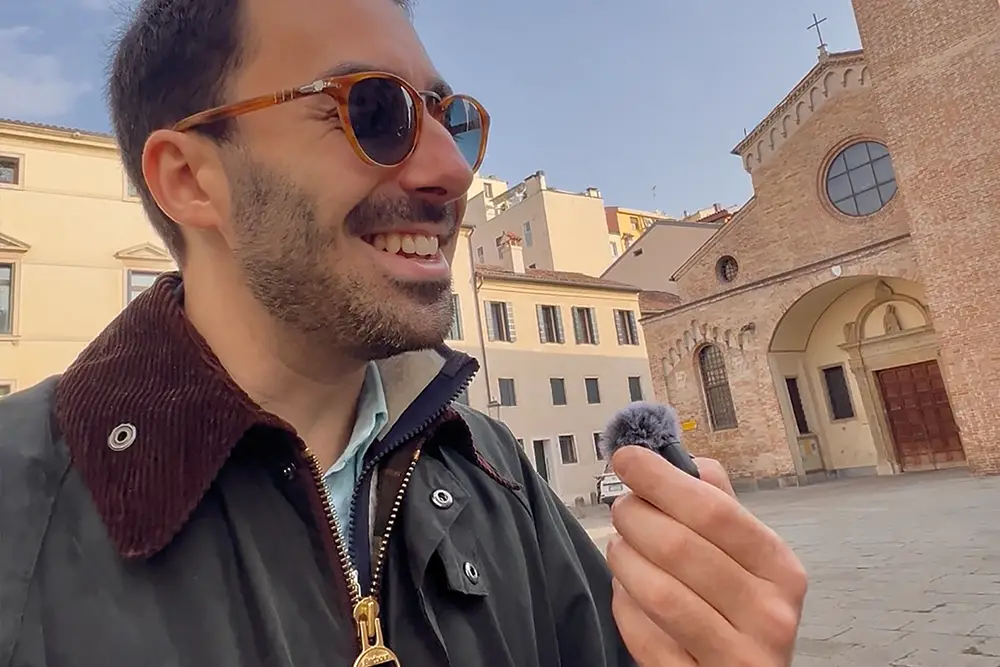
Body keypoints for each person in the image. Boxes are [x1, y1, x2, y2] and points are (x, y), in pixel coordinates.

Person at [0, 0, 807, 664]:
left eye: (452, 120)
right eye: (374, 110)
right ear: (189, 179)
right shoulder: (20, 505)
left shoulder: (493, 467)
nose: (452, 171)